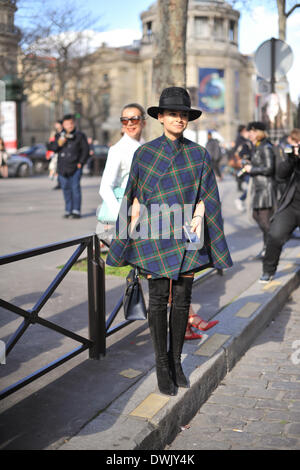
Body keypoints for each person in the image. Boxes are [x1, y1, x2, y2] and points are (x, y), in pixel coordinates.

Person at [106, 87, 232, 395]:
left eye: (184, 115)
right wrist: (125, 239)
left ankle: (176, 362)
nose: (179, 119)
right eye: (173, 114)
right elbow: (130, 197)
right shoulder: (145, 153)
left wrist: (202, 223)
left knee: (183, 301)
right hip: (154, 234)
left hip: (188, 234)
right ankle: (161, 365)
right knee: (159, 299)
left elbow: (209, 198)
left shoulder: (198, 154)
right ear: (161, 117)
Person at [260, 128, 300, 283]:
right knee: (275, 235)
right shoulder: (294, 158)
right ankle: (268, 271)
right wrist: (292, 159)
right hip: (291, 206)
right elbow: (280, 175)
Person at [98, 103, 146, 227]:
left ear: (143, 122)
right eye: (125, 120)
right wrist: (121, 216)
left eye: (134, 119)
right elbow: (105, 187)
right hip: (127, 215)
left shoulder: (145, 147)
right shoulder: (117, 149)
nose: (129, 123)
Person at [242, 121, 276, 259]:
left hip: (265, 189)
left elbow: (269, 168)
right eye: (249, 131)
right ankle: (268, 248)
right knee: (258, 217)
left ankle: (271, 248)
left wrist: (252, 169)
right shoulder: (257, 146)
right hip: (259, 187)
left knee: (264, 220)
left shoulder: (265, 147)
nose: (250, 134)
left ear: (259, 133)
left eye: (253, 131)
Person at [48, 114, 89, 218]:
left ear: (74, 123)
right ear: (63, 125)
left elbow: (85, 150)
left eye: (71, 123)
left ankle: (76, 211)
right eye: (66, 124)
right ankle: (68, 210)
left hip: (76, 167)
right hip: (62, 168)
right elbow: (51, 147)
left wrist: (81, 162)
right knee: (65, 189)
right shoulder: (59, 136)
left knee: (75, 188)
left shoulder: (80, 135)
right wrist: (59, 143)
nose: (69, 126)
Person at [47, 120, 63, 189]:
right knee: (57, 168)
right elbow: (52, 144)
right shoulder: (56, 134)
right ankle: (59, 183)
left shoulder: (63, 133)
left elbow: (59, 144)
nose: (56, 125)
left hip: (63, 154)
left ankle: (61, 183)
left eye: (57, 124)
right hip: (57, 153)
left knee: (60, 169)